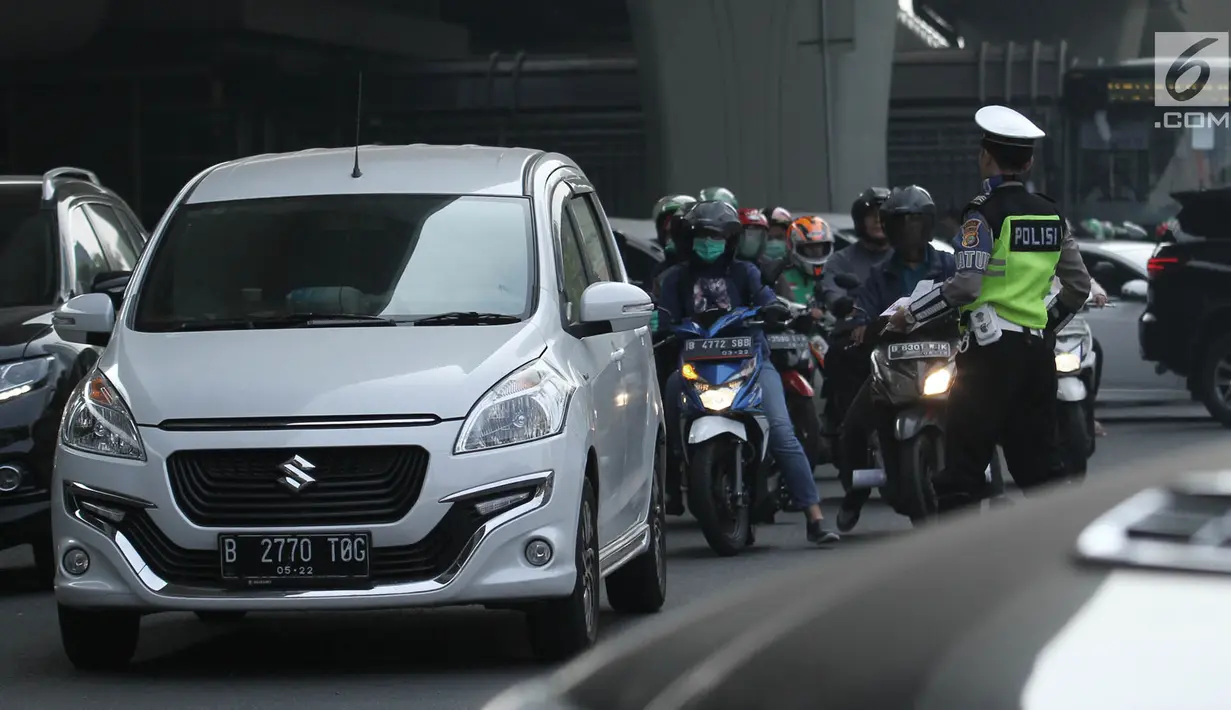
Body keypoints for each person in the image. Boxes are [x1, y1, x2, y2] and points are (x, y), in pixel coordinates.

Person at [885, 105, 1092, 511]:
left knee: (962, 470)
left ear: (985, 157)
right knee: (1041, 469)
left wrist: (908, 316)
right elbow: (1079, 286)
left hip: (990, 356)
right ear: (1029, 162)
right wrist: (1045, 325)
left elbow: (965, 286)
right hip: (1037, 357)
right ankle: (1060, 553)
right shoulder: (1053, 215)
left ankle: (957, 563)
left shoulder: (982, 215)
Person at [655, 200, 840, 543]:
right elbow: (662, 316)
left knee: (783, 433)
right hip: (696, 368)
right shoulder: (674, 279)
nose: (709, 243)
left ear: (730, 239)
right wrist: (656, 325)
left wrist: (771, 308)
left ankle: (814, 516)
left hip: (752, 363)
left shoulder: (746, 273)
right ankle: (670, 484)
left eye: (716, 236)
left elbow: (765, 296)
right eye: (701, 236)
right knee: (667, 394)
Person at [834, 185, 957, 531]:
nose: (910, 230)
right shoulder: (880, 273)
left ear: (929, 225)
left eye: (917, 222)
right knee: (854, 428)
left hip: (944, 356)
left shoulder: (949, 263)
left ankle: (990, 484)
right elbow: (862, 308)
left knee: (982, 407)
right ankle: (855, 495)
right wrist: (857, 325)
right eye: (901, 223)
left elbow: (970, 296)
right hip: (893, 364)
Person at [817, 187, 892, 313]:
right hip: (856, 326)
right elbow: (832, 292)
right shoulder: (840, 260)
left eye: (883, 215)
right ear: (860, 221)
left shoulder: (906, 255)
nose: (878, 220)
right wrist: (842, 304)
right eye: (871, 215)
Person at [735, 208, 793, 298]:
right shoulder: (725, 269)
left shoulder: (772, 271)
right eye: (750, 235)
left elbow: (789, 304)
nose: (774, 243)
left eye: (779, 237)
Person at [781, 215, 836, 308]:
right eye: (810, 248)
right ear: (794, 248)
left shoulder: (835, 275)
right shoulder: (782, 277)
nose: (816, 252)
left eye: (819, 247)